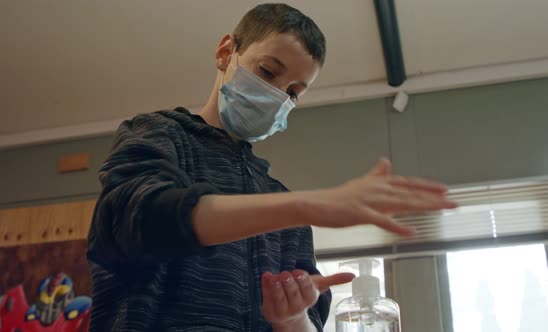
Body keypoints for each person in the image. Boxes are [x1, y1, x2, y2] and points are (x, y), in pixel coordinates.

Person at [86, 3, 457, 331]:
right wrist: (308, 205)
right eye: (267, 71)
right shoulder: (158, 135)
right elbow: (136, 219)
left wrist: (292, 318)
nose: (279, 96)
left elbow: (308, 325)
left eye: (294, 92)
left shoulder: (280, 202)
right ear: (226, 52)